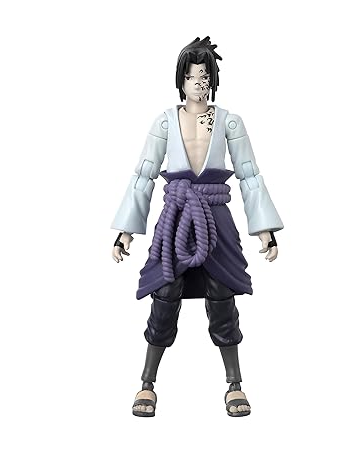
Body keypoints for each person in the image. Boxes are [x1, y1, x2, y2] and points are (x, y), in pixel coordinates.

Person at [111, 37, 283, 417]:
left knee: (222, 296)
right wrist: (126, 230)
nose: (198, 83)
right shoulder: (165, 121)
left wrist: (264, 229)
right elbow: (144, 174)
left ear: (213, 79)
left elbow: (249, 174)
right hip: (176, 216)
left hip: (215, 215)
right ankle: (147, 382)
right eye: (191, 77)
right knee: (165, 293)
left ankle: (235, 384)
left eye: (204, 76)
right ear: (181, 80)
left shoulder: (229, 122)